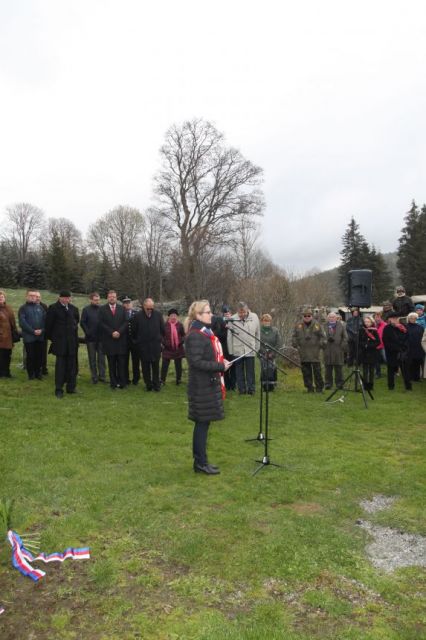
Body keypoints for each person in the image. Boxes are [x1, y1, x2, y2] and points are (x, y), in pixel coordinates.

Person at [184, 300, 231, 475]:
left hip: (206, 386)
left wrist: (221, 361)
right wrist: (220, 366)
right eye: (207, 312)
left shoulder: (205, 332)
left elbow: (207, 357)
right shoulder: (195, 335)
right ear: (197, 315)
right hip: (201, 387)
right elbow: (196, 362)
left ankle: (202, 462)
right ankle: (200, 464)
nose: (211, 315)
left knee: (204, 424)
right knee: (202, 425)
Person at [45, 290, 80, 398]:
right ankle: (59, 389)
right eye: (64, 298)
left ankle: (71, 387)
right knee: (60, 367)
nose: (66, 300)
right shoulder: (53, 308)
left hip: (72, 343)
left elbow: (76, 323)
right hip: (60, 343)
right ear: (60, 298)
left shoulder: (74, 309)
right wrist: (55, 339)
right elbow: (48, 326)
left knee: (72, 367)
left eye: (68, 298)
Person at [131, 298, 165, 392]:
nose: (150, 310)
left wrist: (160, 339)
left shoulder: (158, 315)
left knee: (155, 366)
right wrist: (137, 342)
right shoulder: (137, 316)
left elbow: (163, 329)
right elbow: (133, 331)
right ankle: (148, 384)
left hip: (155, 346)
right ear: (144, 306)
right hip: (143, 346)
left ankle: (156, 385)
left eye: (151, 308)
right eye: (148, 308)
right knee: (145, 367)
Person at [227, 302, 260, 395]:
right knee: (239, 371)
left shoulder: (254, 317)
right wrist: (231, 351)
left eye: (244, 312)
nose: (242, 314)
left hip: (250, 349)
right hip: (238, 349)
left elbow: (258, 333)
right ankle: (241, 390)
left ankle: (251, 390)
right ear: (237, 311)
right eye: (240, 313)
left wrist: (257, 347)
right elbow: (229, 336)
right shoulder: (232, 319)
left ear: (247, 310)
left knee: (250, 371)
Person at [98, 290, 128, 389]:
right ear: (107, 297)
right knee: (111, 363)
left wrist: (119, 332)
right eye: (110, 297)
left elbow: (125, 322)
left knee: (121, 363)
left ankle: (122, 383)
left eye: (114, 297)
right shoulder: (102, 309)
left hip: (120, 340)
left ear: (116, 298)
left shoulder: (122, 308)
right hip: (109, 340)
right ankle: (113, 383)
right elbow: (101, 323)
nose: (112, 298)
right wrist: (112, 332)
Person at [292, 308, 325, 393]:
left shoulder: (317, 325)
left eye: (308, 316)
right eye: (305, 316)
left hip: (315, 352)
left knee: (317, 371)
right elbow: (294, 336)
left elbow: (323, 336)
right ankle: (309, 388)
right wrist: (295, 344)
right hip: (303, 351)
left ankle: (319, 388)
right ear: (303, 316)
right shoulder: (298, 325)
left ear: (311, 316)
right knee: (306, 372)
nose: (307, 317)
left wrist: (321, 344)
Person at [18, 289, 46, 380]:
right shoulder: (23, 308)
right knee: (30, 356)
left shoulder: (40, 308)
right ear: (27, 296)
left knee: (39, 356)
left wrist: (42, 330)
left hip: (40, 337)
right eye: (31, 295)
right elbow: (22, 322)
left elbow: (45, 320)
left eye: (34, 296)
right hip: (29, 337)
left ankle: (38, 373)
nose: (33, 297)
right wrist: (32, 331)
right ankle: (31, 374)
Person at [80, 292, 106, 384]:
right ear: (91, 300)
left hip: (101, 338)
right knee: (92, 359)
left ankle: (102, 376)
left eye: (98, 300)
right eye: (95, 300)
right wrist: (88, 332)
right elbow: (82, 322)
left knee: (101, 359)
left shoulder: (102, 309)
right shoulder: (86, 310)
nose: (97, 301)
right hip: (90, 339)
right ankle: (94, 377)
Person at [382, 311, 411, 391]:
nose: (394, 320)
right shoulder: (387, 328)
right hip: (391, 352)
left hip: (403, 352)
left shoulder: (404, 327)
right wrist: (395, 348)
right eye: (392, 318)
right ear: (389, 319)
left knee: (405, 370)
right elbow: (386, 341)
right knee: (391, 370)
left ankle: (408, 386)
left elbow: (407, 338)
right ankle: (391, 387)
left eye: (396, 318)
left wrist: (403, 348)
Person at [211, 304, 236, 391]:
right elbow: (217, 333)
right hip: (223, 347)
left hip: (232, 347)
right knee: (225, 366)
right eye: (225, 313)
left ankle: (233, 384)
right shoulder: (219, 321)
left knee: (233, 366)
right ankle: (226, 383)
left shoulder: (234, 320)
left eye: (228, 313)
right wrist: (226, 331)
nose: (227, 314)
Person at [323, 311, 347, 390]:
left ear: (336, 318)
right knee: (328, 369)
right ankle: (328, 384)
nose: (331, 318)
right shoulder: (324, 326)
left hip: (338, 350)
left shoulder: (341, 325)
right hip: (327, 350)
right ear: (328, 318)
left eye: (333, 317)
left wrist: (342, 347)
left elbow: (345, 337)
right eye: (330, 317)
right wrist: (323, 344)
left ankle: (340, 384)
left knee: (338, 368)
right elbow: (320, 337)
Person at [161, 308, 185, 385]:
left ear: (177, 316)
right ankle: (162, 380)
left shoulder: (180, 325)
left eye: (175, 315)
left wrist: (181, 342)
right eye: (172, 315)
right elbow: (161, 336)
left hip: (178, 348)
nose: (173, 317)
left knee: (178, 366)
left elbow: (183, 335)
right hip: (167, 348)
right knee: (164, 366)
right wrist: (164, 343)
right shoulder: (165, 325)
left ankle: (178, 380)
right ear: (169, 316)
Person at [259, 313, 282, 392]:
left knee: (272, 369)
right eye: (265, 320)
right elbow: (257, 343)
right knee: (264, 369)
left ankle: (272, 386)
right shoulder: (258, 331)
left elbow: (278, 343)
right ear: (262, 321)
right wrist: (264, 352)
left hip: (273, 353)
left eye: (268, 321)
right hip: (263, 354)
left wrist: (273, 353)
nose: (266, 322)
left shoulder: (275, 330)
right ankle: (265, 386)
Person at [357, 316, 380, 391]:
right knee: (365, 370)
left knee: (371, 370)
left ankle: (371, 385)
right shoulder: (361, 330)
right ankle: (365, 385)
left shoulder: (374, 330)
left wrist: (369, 346)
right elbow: (359, 341)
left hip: (372, 352)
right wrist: (364, 345)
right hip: (364, 353)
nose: (366, 323)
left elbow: (378, 342)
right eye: (365, 322)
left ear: (371, 322)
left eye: (368, 322)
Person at [0, 290, 18, 378]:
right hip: (1, 337)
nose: (0, 298)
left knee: (8, 355)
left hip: (9, 337)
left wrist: (15, 331)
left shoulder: (8, 308)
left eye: (2, 297)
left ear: (4, 298)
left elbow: (12, 321)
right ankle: (2, 373)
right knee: (1, 356)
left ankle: (7, 372)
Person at [122, 297, 140, 385]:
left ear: (131, 304)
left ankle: (136, 378)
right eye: (125, 303)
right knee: (125, 361)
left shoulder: (136, 314)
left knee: (135, 360)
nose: (127, 304)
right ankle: (126, 378)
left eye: (129, 303)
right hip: (124, 341)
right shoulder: (121, 314)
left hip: (134, 341)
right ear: (123, 305)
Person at [406, 312, 425, 383]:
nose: (413, 319)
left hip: (419, 348)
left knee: (417, 363)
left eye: (414, 318)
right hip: (409, 348)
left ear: (416, 319)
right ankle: (410, 377)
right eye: (411, 318)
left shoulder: (420, 327)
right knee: (410, 363)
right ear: (409, 318)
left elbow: (423, 337)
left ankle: (417, 378)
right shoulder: (406, 326)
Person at [35, 291, 49, 375]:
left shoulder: (44, 306)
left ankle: (43, 368)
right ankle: (34, 368)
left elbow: (47, 320)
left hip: (43, 333)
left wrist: (43, 330)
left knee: (43, 352)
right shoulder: (29, 306)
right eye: (36, 296)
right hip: (32, 332)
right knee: (33, 351)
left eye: (39, 296)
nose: (37, 298)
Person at [373, 311, 387, 378]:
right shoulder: (373, 325)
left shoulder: (385, 325)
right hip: (376, 345)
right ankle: (378, 373)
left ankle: (393, 371)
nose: (377, 318)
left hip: (383, 345)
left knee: (386, 359)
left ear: (381, 317)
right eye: (376, 317)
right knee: (376, 360)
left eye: (378, 317)